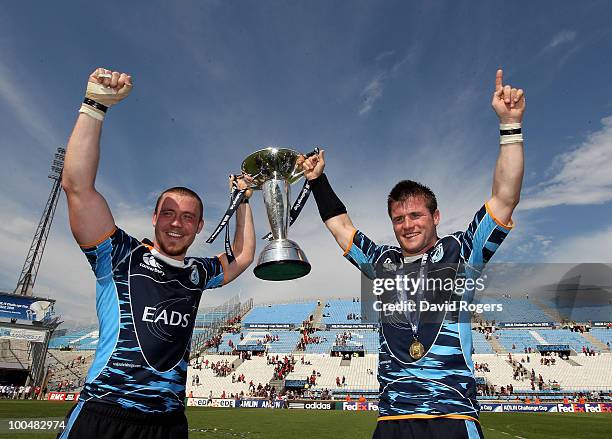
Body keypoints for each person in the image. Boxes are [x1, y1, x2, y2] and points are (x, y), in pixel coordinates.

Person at [300, 69, 524, 439]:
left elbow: (505, 198)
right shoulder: (382, 262)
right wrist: (317, 180)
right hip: (391, 420)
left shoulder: (461, 251)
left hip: (451, 417)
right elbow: (341, 227)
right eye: (398, 218)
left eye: (416, 215)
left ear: (435, 216)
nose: (407, 225)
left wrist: (510, 127)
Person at [58, 68, 255, 438]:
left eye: (187, 217)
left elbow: (243, 255)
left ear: (199, 227)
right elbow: (77, 188)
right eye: (168, 213)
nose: (176, 224)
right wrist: (95, 105)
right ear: (154, 218)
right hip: (105, 412)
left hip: (168, 423)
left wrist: (243, 200)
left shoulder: (197, 273)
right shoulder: (119, 255)